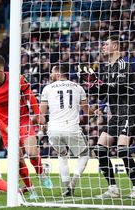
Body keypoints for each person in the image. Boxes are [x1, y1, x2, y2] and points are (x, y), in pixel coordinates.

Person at [0, 55, 52, 199]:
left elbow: (29, 94)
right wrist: (4, 127)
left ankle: (41, 173)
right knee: (17, 160)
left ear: (1, 68)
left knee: (32, 152)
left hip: (23, 120)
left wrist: (37, 114)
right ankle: (31, 190)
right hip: (5, 127)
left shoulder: (16, 78)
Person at [78, 35, 135, 198]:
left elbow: (120, 87)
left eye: (106, 44)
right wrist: (90, 86)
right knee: (99, 149)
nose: (103, 47)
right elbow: (103, 95)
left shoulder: (124, 64)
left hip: (129, 111)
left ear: (115, 47)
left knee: (122, 150)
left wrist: (100, 84)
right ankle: (113, 189)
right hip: (115, 114)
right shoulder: (106, 68)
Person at [40, 64, 90, 196]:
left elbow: (41, 113)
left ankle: (67, 187)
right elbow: (86, 111)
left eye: (52, 72)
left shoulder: (47, 88)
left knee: (62, 155)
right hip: (71, 127)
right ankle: (74, 181)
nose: (50, 75)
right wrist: (95, 112)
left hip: (54, 129)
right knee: (84, 154)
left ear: (57, 73)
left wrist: (40, 125)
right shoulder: (78, 88)